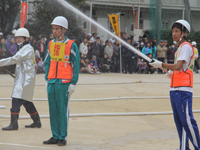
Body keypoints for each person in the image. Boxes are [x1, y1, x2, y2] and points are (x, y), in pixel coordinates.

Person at [150, 19, 200, 150]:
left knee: (187, 121)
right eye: (173, 31)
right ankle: (184, 148)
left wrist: (161, 64)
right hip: (175, 89)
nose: (174, 34)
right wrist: (171, 73)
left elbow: (178, 66)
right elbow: (181, 68)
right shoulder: (179, 48)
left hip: (183, 90)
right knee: (180, 123)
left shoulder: (186, 47)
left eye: (177, 31)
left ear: (184, 33)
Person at [44, 16, 80, 146]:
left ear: (64, 29)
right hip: (52, 81)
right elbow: (47, 62)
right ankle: (55, 135)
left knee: (62, 109)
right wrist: (47, 78)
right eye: (53, 29)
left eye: (57, 29)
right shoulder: (51, 43)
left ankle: (62, 136)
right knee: (52, 109)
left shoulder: (71, 45)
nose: (54, 31)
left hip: (64, 82)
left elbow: (76, 65)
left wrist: (73, 82)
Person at [1, 28, 41, 130]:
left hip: (24, 81)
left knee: (16, 99)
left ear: (26, 38)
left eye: (20, 38)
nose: (17, 39)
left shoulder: (26, 49)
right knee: (27, 101)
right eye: (16, 37)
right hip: (25, 79)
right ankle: (37, 121)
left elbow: (14, 59)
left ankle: (14, 124)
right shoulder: (24, 48)